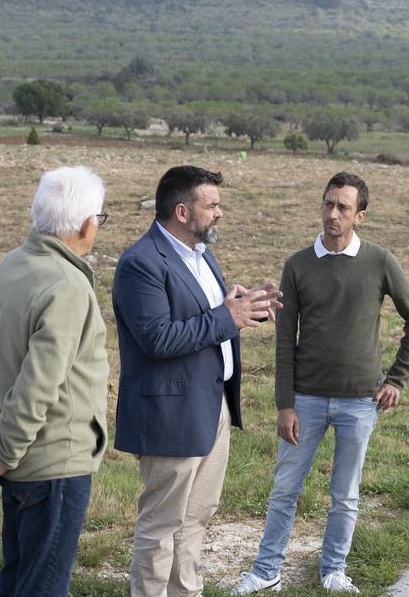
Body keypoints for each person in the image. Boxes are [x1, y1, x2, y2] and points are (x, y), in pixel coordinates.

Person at [232, 172, 409, 595]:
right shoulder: (298, 264)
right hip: (304, 400)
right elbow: (285, 339)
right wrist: (285, 403)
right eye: (328, 204)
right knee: (285, 489)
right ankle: (266, 571)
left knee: (346, 494)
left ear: (361, 216)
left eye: (343, 207)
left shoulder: (380, 261)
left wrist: (397, 379)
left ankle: (334, 571)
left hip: (361, 401)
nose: (332, 213)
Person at [113, 165, 281, 597]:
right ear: (183, 211)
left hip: (212, 405)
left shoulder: (201, 254)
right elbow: (157, 338)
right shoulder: (142, 263)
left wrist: (241, 306)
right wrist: (228, 317)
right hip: (170, 412)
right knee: (162, 525)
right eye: (213, 205)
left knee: (197, 517)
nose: (220, 213)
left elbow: (207, 317)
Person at [0, 166, 111, 596]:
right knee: (41, 585)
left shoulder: (6, 268)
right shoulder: (67, 285)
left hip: (19, 458)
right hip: (54, 461)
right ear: (85, 223)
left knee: (18, 576)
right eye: (100, 218)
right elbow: (38, 384)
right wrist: (2, 452)